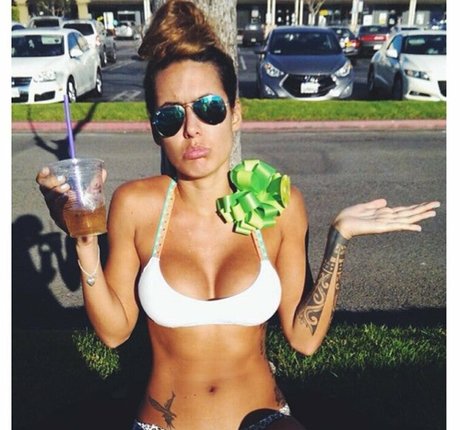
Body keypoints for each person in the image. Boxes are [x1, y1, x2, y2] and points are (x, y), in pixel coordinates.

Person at [35, 1, 440, 429]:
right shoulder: (137, 205)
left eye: (209, 108)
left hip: (262, 420)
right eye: (171, 116)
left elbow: (303, 340)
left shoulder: (278, 205)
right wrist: (84, 242)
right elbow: (114, 332)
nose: (191, 129)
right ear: (156, 130)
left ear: (235, 114)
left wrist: (338, 240)